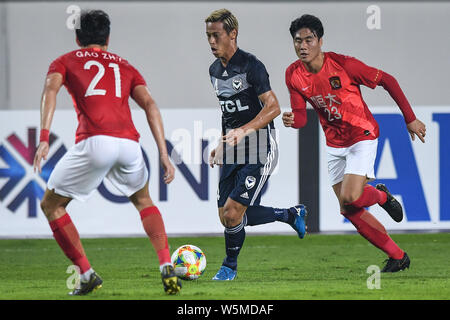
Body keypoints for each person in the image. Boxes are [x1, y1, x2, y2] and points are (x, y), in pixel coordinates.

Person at [33, 10, 181, 295]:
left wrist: (43, 137)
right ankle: (165, 264)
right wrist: (163, 152)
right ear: (108, 38)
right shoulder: (125, 66)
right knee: (143, 200)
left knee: (51, 206)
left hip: (95, 143)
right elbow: (149, 104)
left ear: (77, 37)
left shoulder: (64, 61)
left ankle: (87, 274)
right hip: (129, 147)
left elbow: (49, 91)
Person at [283, 14, 426, 272]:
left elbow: (387, 80)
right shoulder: (293, 75)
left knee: (350, 196)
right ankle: (398, 256)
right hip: (334, 144)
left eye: (308, 40)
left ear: (320, 41)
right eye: (297, 41)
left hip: (362, 135)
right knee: (348, 209)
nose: (302, 46)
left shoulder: (343, 65)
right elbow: (303, 118)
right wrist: (293, 120)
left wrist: (411, 119)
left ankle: (381, 196)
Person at [205, 9, 307, 281]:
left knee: (233, 212)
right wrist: (222, 141)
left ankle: (229, 267)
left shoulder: (251, 65)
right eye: (208, 36)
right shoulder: (214, 70)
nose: (212, 42)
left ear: (232, 34)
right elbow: (229, 111)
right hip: (233, 147)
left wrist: (244, 131)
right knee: (226, 217)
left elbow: (273, 107)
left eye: (216, 35)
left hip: (260, 145)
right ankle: (289, 214)